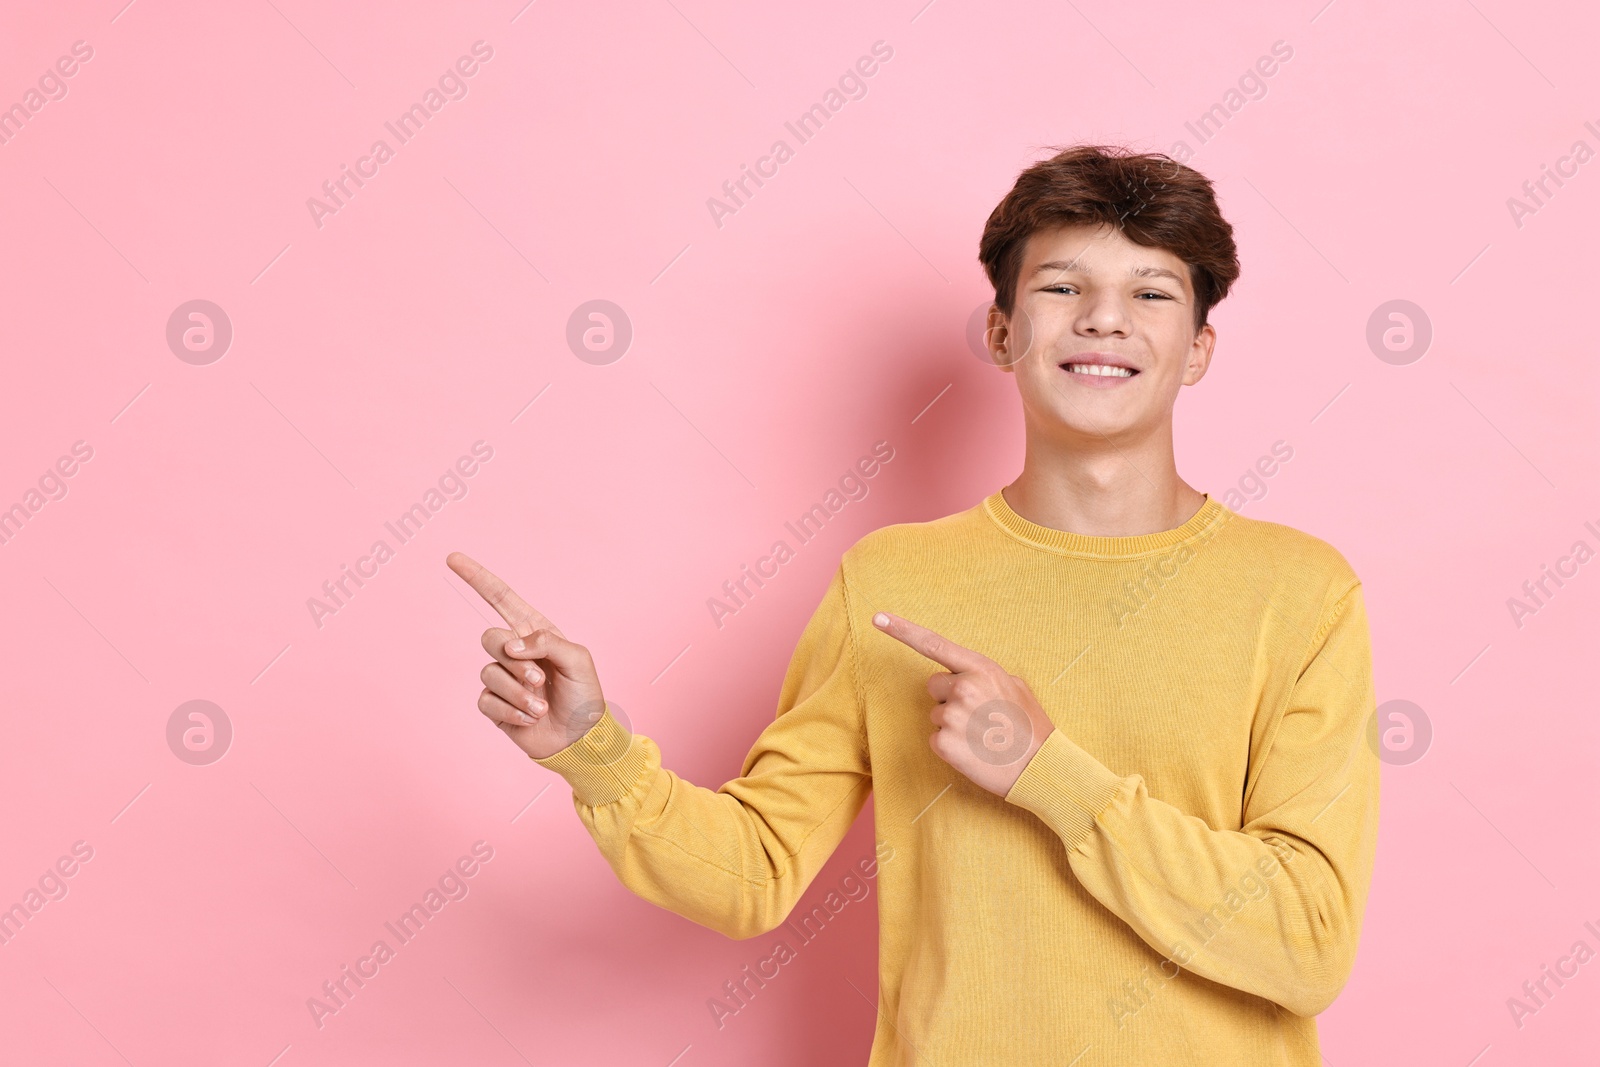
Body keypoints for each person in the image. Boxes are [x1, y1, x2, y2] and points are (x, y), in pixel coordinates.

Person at [446, 142, 1380, 1066]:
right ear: (1004, 333)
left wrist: (1048, 773)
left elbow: (1308, 942)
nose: (1104, 319)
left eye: (1151, 292)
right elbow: (757, 871)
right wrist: (592, 750)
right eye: (1062, 287)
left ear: (1199, 348)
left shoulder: (1301, 592)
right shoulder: (893, 581)